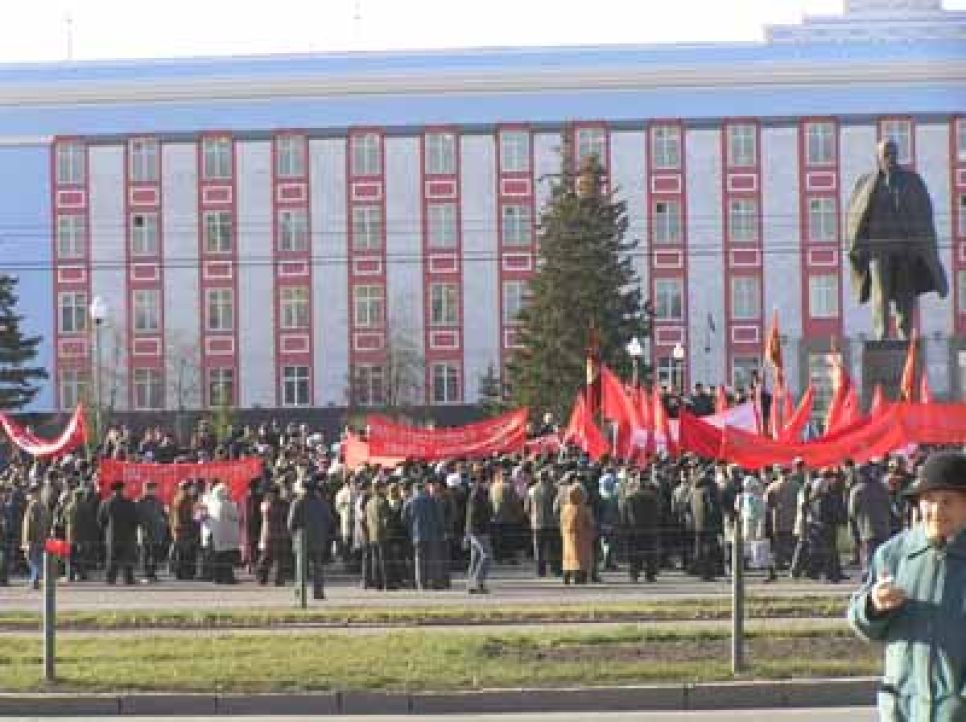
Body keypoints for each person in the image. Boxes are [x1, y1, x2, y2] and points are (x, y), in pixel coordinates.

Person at [848, 450, 966, 721]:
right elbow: (861, 622)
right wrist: (874, 606)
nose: (936, 511)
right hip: (903, 708)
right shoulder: (893, 554)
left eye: (947, 502)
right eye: (928, 501)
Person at [845, 139, 948, 341]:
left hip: (905, 248)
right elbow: (854, 216)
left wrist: (923, 245)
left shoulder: (912, 181)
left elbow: (925, 213)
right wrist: (857, 246)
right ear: (878, 158)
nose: (890, 158)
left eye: (893, 153)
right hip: (878, 249)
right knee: (880, 294)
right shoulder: (866, 183)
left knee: (905, 296)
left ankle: (905, 336)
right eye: (886, 154)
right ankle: (881, 336)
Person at [287, 476, 336, 600]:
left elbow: (291, 523)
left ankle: (299, 592)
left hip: (301, 539)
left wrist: (293, 535)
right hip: (318, 539)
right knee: (317, 568)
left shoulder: (297, 502)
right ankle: (318, 592)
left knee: (300, 568)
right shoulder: (322, 503)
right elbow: (330, 520)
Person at [98, 480, 139, 585]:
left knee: (111, 559)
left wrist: (107, 530)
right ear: (122, 489)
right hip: (127, 535)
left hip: (112, 535)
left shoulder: (105, 503)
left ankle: (110, 579)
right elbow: (135, 520)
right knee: (127, 558)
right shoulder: (130, 503)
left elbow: (101, 520)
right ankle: (128, 579)